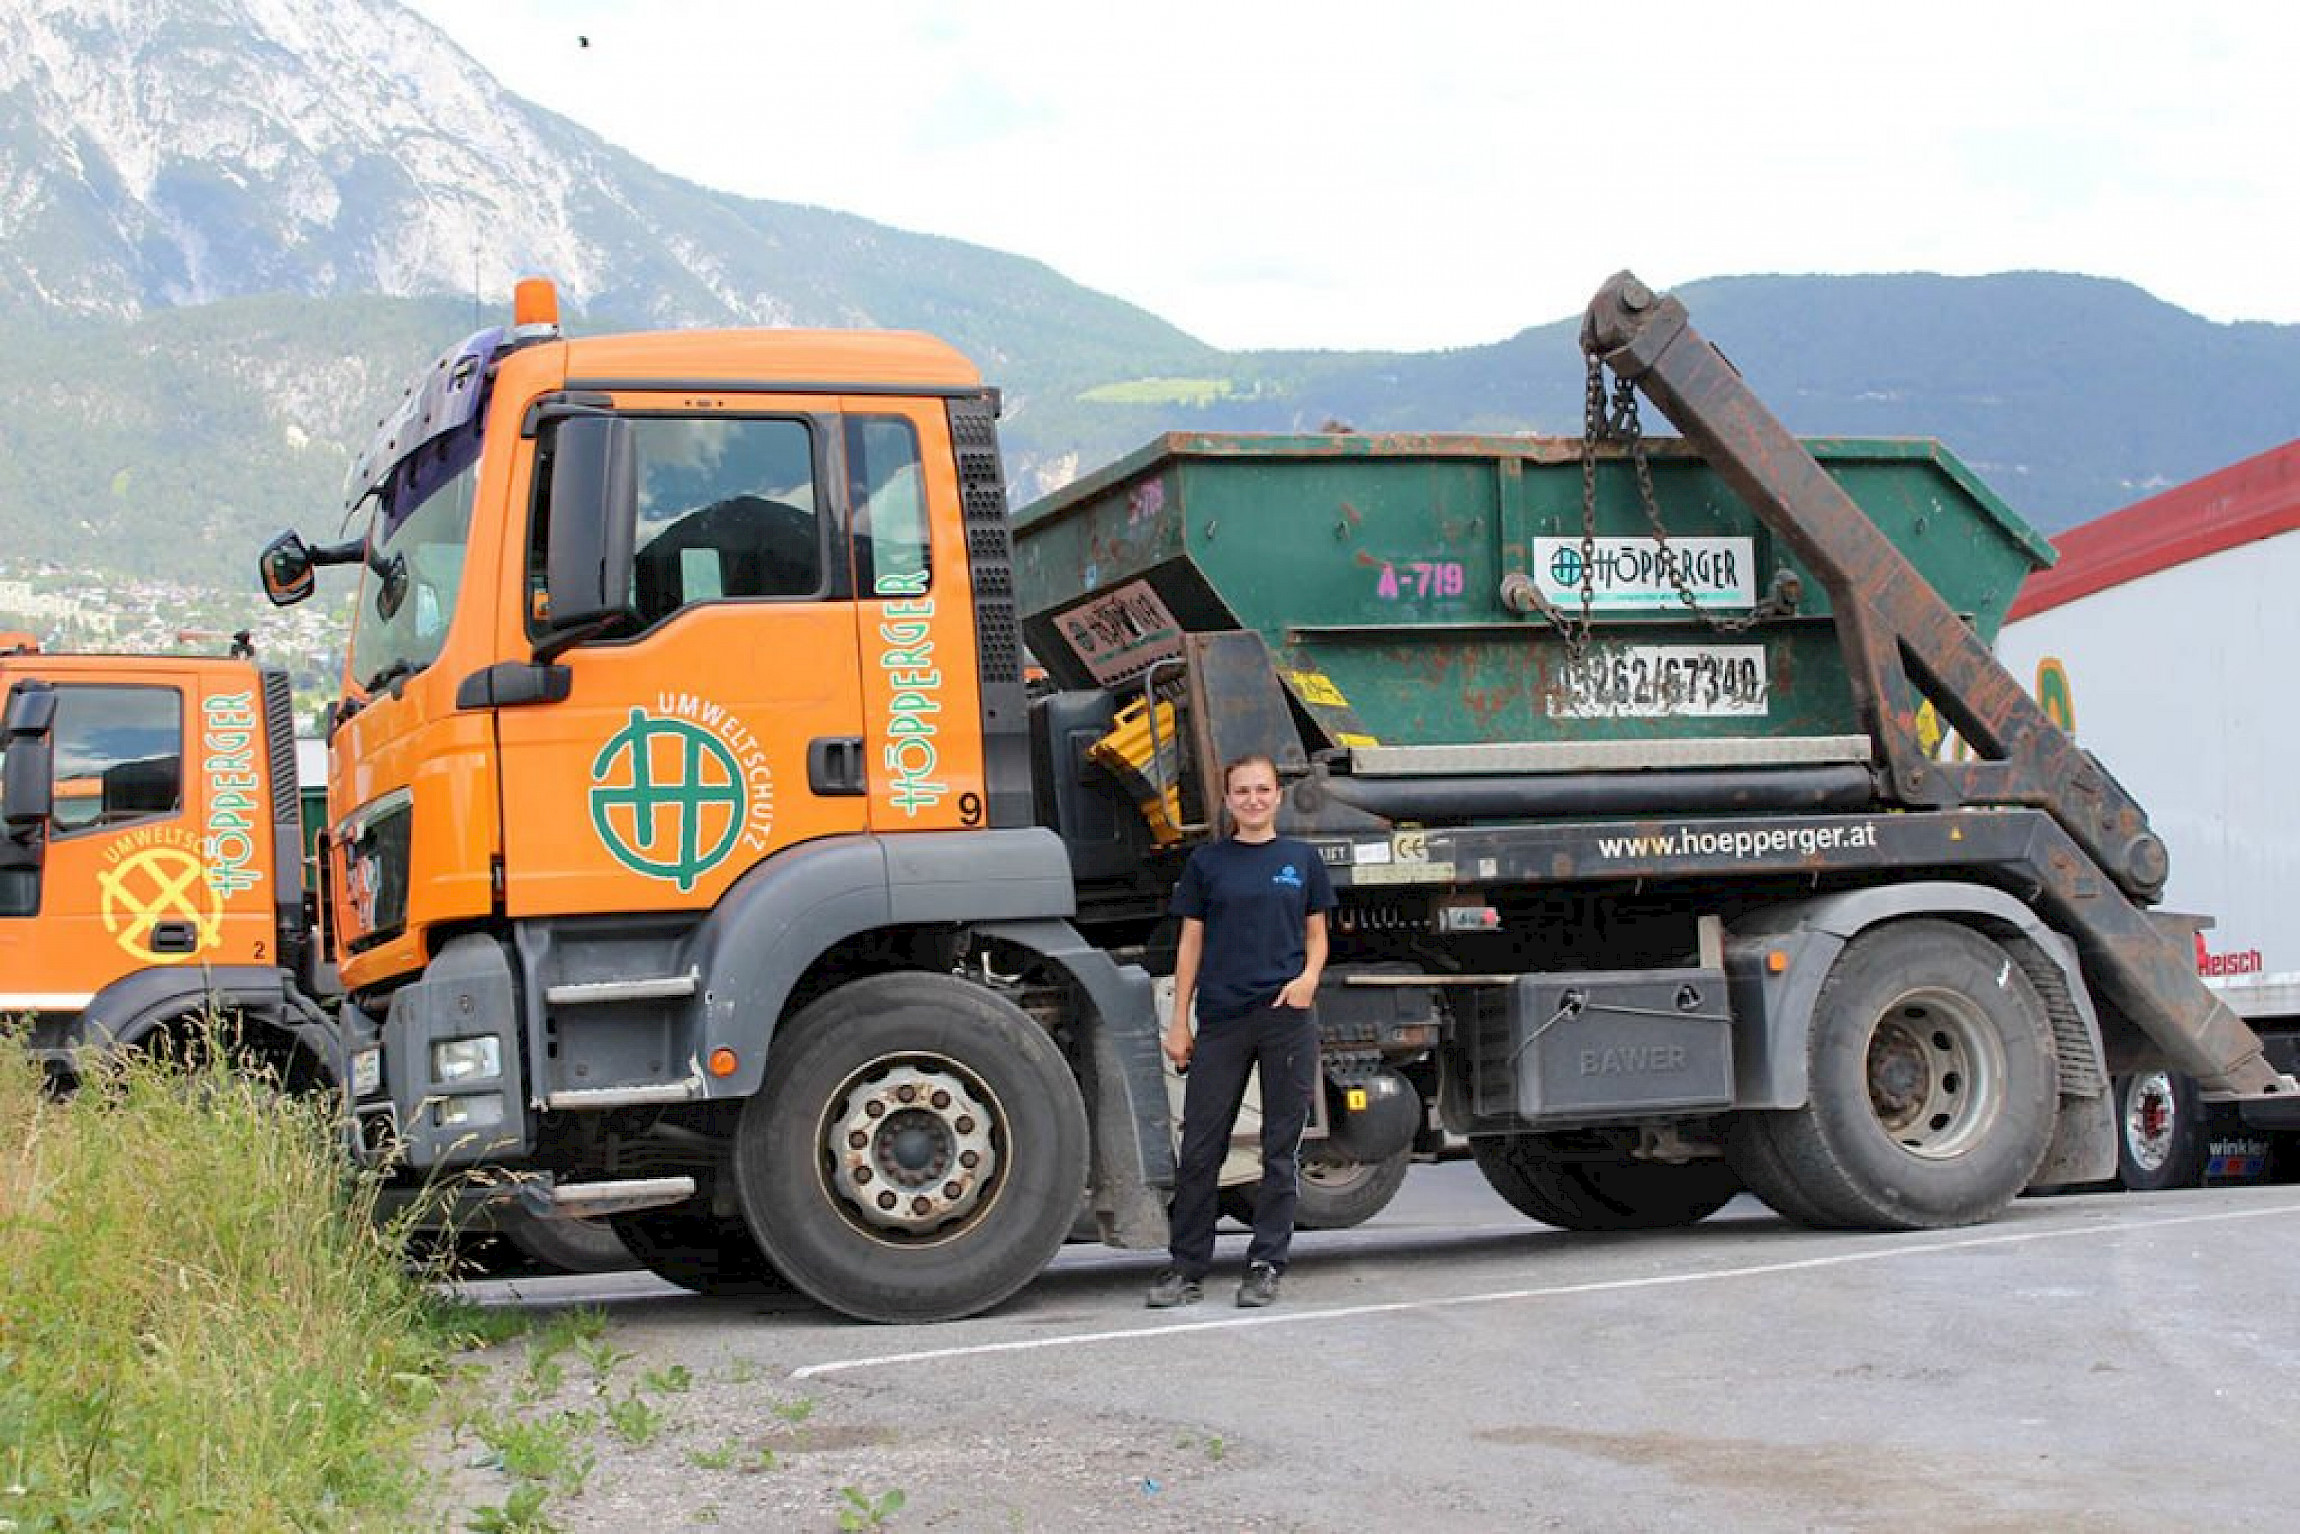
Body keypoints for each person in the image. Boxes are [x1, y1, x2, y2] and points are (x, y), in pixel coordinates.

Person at [1146, 752, 1334, 1310]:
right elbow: (1190, 944)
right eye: (1242, 791)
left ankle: (1265, 1264)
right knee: (1202, 1148)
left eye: (1262, 790)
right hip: (1223, 1019)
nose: (1253, 799)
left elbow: (1318, 935)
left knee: (1280, 1151)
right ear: (1228, 801)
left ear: (1278, 796)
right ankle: (1186, 1269)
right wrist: (1179, 1021)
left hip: (1286, 1018)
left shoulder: (1302, 861)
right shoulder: (1209, 863)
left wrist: (1307, 981)